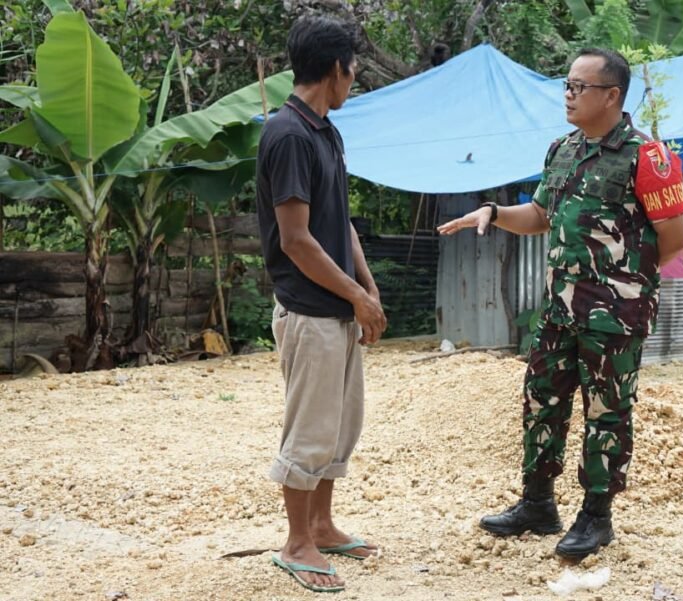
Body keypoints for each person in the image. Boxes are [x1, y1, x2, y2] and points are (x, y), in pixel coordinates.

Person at [438, 47, 683, 560]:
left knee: (607, 413)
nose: (569, 96)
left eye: (580, 87)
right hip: (558, 309)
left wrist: (624, 285)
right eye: (567, 86)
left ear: (612, 95)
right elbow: (540, 214)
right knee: (541, 403)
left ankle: (596, 516)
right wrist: (492, 211)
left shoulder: (649, 158)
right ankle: (537, 503)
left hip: (614, 316)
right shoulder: (562, 150)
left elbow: (675, 237)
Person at [255, 14, 387, 594]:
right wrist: (355, 295)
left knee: (339, 429)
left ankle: (324, 526)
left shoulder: (324, 130)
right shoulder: (286, 134)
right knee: (309, 431)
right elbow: (297, 240)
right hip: (309, 310)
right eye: (354, 70)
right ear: (337, 69)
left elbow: (340, 222)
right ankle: (297, 542)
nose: (353, 79)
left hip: (337, 307)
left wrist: (367, 287)